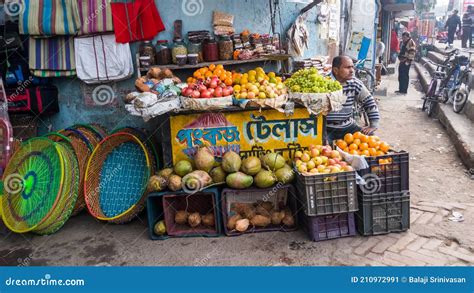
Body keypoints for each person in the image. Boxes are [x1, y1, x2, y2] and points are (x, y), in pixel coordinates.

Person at [326, 56, 380, 143]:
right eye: (347, 67)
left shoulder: (354, 83)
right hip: (327, 128)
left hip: (348, 126)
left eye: (352, 67)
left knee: (370, 139)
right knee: (324, 148)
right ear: (336, 70)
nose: (352, 71)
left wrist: (373, 125)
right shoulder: (325, 83)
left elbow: (369, 102)